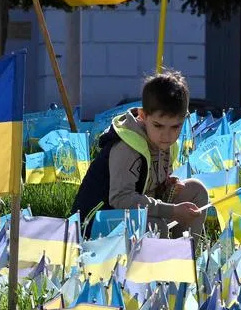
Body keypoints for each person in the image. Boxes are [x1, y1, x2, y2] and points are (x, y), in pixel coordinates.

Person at [71, 69, 208, 238]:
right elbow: (121, 199)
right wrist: (171, 211)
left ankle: (186, 257)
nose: (166, 135)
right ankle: (162, 261)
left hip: (134, 215)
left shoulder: (167, 144)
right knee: (154, 227)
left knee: (196, 191)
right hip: (94, 224)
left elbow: (148, 189)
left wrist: (166, 188)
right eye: (158, 126)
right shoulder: (126, 145)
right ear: (143, 116)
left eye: (175, 127)